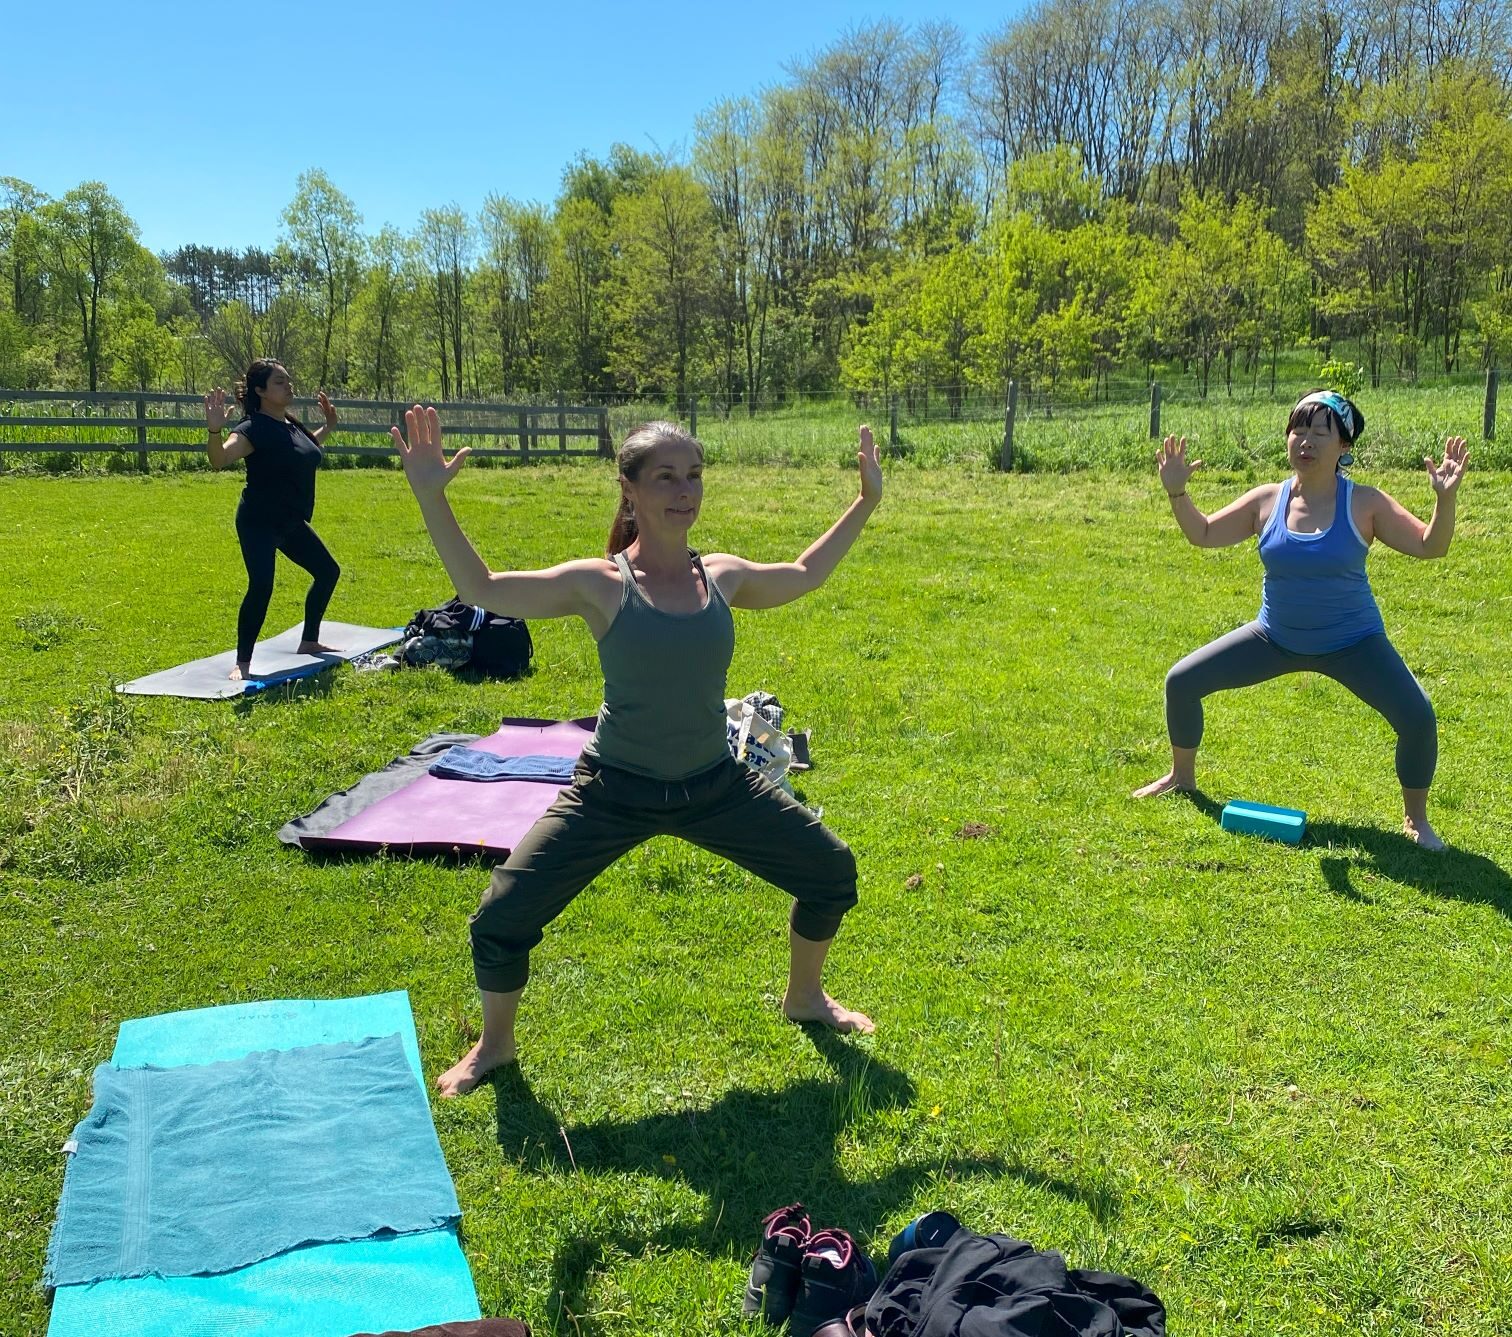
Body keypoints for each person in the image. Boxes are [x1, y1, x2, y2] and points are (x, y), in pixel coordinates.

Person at [391, 406, 882, 1096]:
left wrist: (865, 502)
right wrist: (430, 494)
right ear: (630, 490)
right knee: (501, 919)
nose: (685, 491)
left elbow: (804, 571)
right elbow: (484, 590)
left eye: (694, 476)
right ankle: (493, 1045)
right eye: (666, 478)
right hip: (613, 789)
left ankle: (805, 996)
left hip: (715, 784)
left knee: (831, 870)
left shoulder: (723, 576)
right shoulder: (603, 583)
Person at [1133, 390, 1468, 850]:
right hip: (1274, 637)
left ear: (1344, 446)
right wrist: (1177, 490)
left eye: (1319, 431)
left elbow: (1432, 545)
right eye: (1298, 429)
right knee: (1181, 682)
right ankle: (1181, 777)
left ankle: (1416, 820)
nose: (1305, 440)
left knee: (1417, 717)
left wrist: (1444, 500)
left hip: (1354, 643)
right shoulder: (1267, 500)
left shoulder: (1365, 503)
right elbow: (1204, 533)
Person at [203, 359, 342, 680]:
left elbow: (302, 450)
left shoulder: (291, 424)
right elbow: (219, 459)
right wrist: (214, 430)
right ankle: (243, 662)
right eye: (280, 382)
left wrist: (329, 426)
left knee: (327, 572)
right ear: (260, 390)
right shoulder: (252, 428)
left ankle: (309, 641)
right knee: (262, 586)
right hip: (258, 521)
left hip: (290, 522)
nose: (289, 386)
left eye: (288, 380)